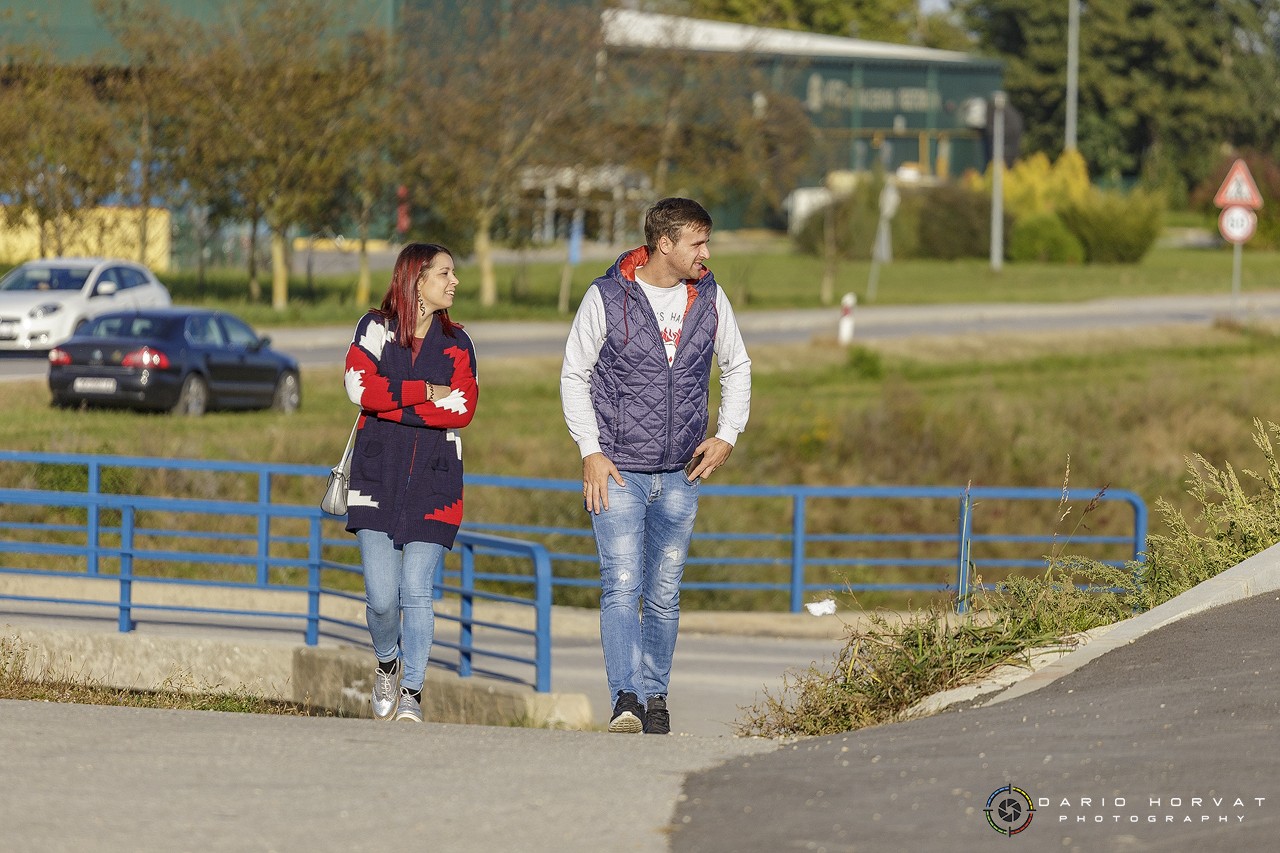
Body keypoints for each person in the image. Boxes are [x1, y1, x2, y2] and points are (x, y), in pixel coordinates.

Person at [560, 197, 752, 734]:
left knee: (664, 594)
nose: (706, 254)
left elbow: (736, 365)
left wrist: (727, 435)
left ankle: (656, 696)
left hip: (681, 473)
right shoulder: (606, 296)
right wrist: (590, 450)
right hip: (618, 471)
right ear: (664, 244)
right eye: (697, 243)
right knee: (622, 583)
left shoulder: (710, 296)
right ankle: (625, 697)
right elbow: (574, 374)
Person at [342, 242, 479, 723]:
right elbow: (359, 388)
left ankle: (412, 693)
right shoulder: (374, 328)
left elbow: (462, 408)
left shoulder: (458, 343)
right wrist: (424, 393)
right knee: (382, 598)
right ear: (417, 280)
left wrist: (390, 406)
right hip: (375, 477)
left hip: (435, 482)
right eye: (445, 273)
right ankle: (387, 663)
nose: (454, 282)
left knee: (417, 589)